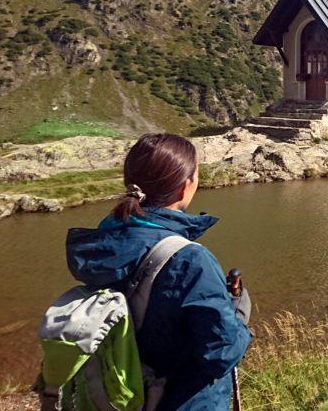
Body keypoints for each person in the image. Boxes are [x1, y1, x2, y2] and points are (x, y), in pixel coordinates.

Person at [65, 133, 252, 410]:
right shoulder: (190, 260)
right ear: (185, 187)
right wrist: (239, 315)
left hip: (118, 393)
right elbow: (221, 354)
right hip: (180, 401)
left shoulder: (104, 241)